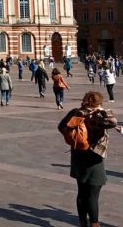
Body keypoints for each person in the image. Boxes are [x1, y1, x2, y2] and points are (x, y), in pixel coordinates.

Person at [58, 91, 121, 227]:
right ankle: (94, 224)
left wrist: (74, 138)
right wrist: (101, 110)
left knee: (81, 192)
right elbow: (112, 122)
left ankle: (82, 222)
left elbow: (61, 126)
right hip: (94, 158)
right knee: (93, 195)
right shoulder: (98, 116)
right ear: (98, 103)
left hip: (78, 155)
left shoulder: (75, 112)